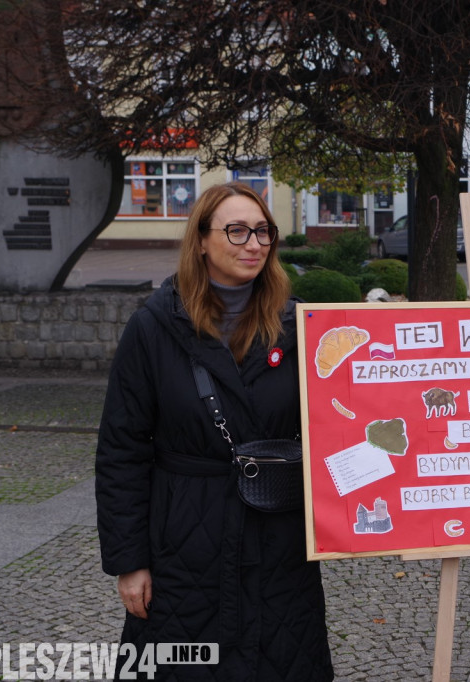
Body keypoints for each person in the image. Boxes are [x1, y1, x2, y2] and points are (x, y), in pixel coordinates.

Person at [95, 182, 334, 680]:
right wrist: (129, 561)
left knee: (281, 659)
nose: (254, 244)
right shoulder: (155, 327)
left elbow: (338, 423)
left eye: (264, 231)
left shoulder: (300, 326)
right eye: (238, 230)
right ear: (201, 240)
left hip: (278, 539)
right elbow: (123, 449)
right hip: (185, 538)